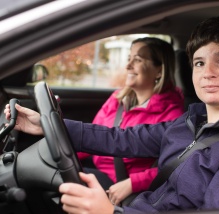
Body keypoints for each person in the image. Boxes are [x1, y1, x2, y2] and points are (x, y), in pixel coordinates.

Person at [4, 15, 219, 214]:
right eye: (199, 63)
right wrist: (47, 125)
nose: (208, 73)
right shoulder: (191, 120)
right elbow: (120, 138)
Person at [77, 37, 184, 204]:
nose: (128, 66)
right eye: (129, 58)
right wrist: (65, 151)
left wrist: (134, 183)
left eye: (138, 60)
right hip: (100, 172)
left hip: (123, 186)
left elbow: (176, 166)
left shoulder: (172, 115)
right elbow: (94, 135)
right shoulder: (118, 99)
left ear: (159, 71)